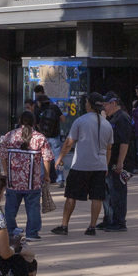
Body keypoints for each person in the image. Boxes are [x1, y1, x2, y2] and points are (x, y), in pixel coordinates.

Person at [53, 94, 111, 237]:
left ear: (89, 104)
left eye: (86, 102)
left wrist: (60, 158)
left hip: (81, 164)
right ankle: (92, 227)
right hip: (100, 165)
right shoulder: (107, 124)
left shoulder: (81, 121)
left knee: (71, 195)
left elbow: (69, 143)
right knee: (97, 197)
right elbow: (109, 148)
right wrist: (106, 165)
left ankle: (64, 225)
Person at [0, 111, 53, 241]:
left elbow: (2, 156)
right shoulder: (40, 138)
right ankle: (32, 233)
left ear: (19, 120)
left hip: (13, 181)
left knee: (10, 208)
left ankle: (10, 231)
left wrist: (6, 172)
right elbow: (47, 158)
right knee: (33, 208)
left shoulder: (10, 135)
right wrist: (46, 175)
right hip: (32, 182)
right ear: (34, 122)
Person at [100, 92, 133, 232]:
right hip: (109, 160)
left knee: (117, 192)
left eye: (105, 105)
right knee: (108, 192)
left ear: (113, 103)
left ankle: (119, 221)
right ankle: (109, 218)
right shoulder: (111, 118)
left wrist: (120, 162)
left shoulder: (122, 118)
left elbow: (124, 142)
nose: (104, 108)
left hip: (117, 161)